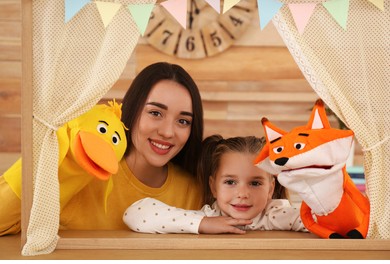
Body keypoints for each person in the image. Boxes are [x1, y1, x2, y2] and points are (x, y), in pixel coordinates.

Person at [0, 62, 204, 235]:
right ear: (131, 111)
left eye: (183, 121)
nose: (168, 132)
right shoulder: (81, 169)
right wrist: (61, 151)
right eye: (155, 113)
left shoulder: (194, 191)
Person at [123, 135, 307, 234]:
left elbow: (323, 220)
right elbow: (135, 214)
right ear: (213, 186)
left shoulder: (277, 217)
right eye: (230, 182)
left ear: (271, 189)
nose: (242, 193)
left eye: (255, 183)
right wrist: (203, 223)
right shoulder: (206, 218)